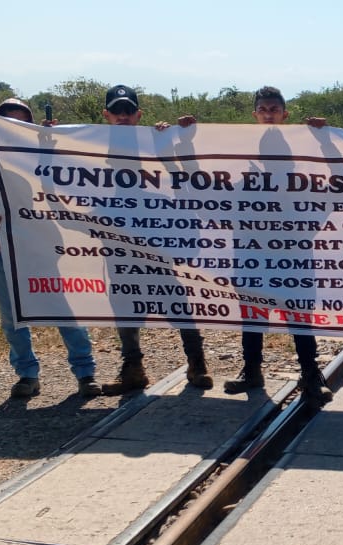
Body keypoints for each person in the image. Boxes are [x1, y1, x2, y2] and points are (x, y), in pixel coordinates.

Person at [160, 86, 332, 404]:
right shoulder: (245, 184)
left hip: (294, 260)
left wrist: (325, 141)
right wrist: (183, 144)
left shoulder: (302, 184)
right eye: (268, 155)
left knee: (300, 321)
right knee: (253, 319)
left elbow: (339, 184)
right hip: (252, 258)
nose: (274, 160)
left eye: (281, 156)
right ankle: (251, 372)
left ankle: (311, 375)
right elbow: (204, 191)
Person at [0, 99, 102, 399]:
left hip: (43, 242)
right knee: (11, 315)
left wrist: (55, 143)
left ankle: (85, 372)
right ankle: (27, 374)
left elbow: (67, 183)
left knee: (63, 309)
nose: (16, 131)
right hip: (1, 244)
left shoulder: (42, 152)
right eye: (8, 124)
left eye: (22, 124)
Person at [103, 84, 212, 394]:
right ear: (107, 114)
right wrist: (43, 141)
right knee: (124, 302)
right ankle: (133, 367)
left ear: (138, 114)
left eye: (128, 111)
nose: (123, 116)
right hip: (116, 233)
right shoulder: (90, 142)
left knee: (175, 298)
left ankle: (197, 363)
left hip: (155, 231)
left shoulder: (153, 139)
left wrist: (174, 140)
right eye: (117, 111)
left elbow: (182, 178)